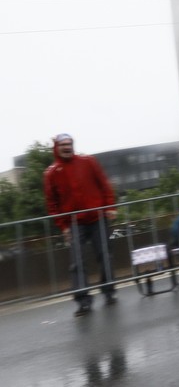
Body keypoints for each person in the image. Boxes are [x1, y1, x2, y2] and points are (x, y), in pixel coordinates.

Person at [43, 133, 118, 317]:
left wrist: (110, 207)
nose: (67, 147)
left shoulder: (88, 161)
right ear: (57, 148)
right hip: (74, 223)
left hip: (97, 217)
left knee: (105, 256)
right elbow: (52, 203)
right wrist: (63, 226)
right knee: (77, 263)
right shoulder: (52, 173)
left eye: (69, 144)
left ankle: (109, 291)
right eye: (63, 145)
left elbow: (104, 185)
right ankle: (83, 301)